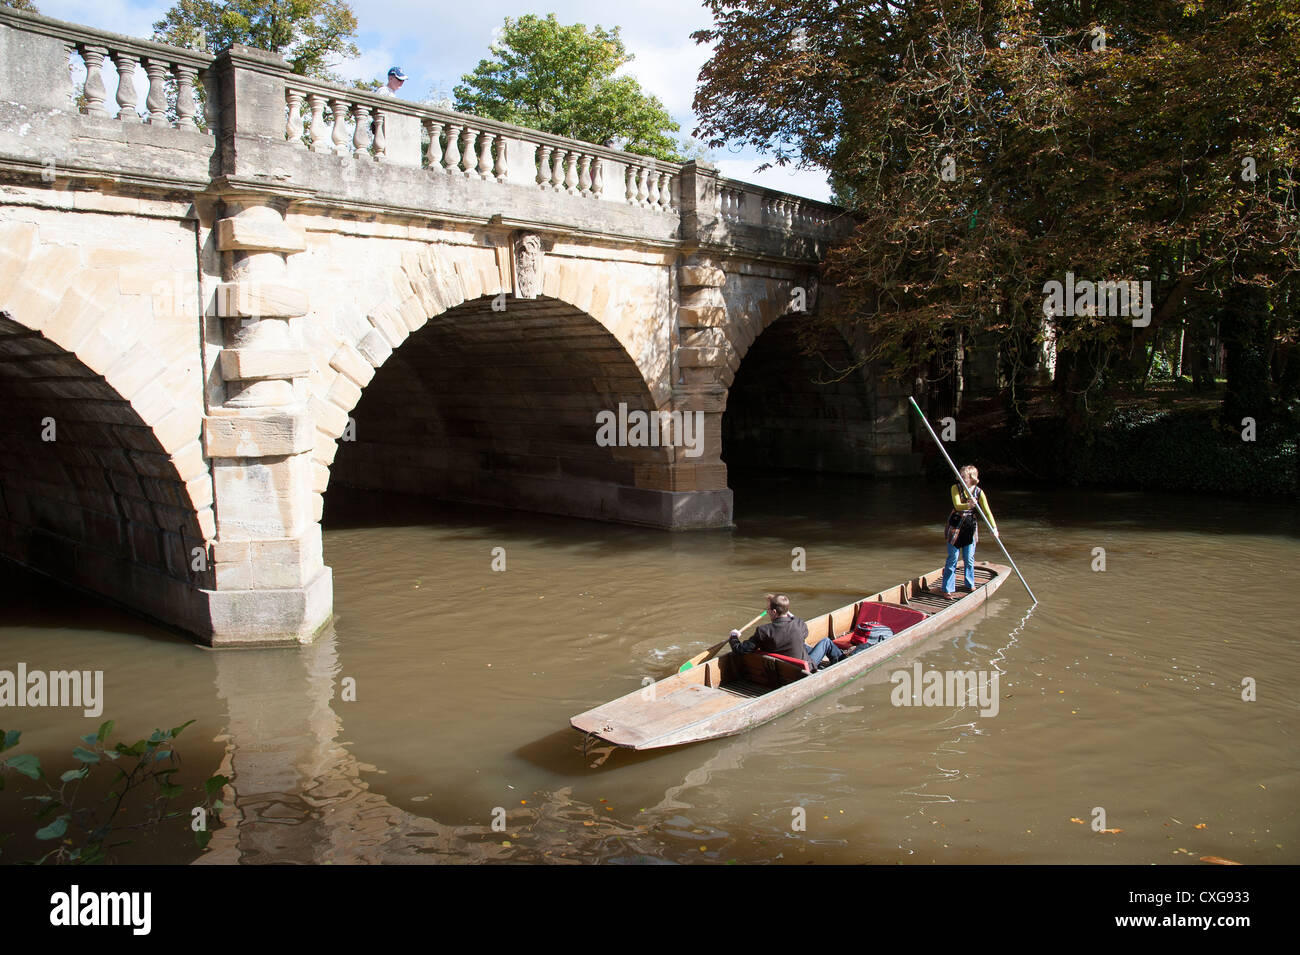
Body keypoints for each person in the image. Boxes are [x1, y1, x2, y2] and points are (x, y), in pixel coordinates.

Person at [728, 593, 854, 672]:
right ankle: (844, 662)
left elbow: (740, 649)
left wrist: (734, 636)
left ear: (774, 612)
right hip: (802, 668)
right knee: (826, 642)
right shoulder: (799, 624)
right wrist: (784, 609)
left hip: (781, 670)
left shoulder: (763, 631)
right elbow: (803, 632)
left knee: (803, 646)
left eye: (768, 610)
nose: (767, 612)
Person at [939, 464, 998, 599]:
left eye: (963, 477)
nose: (960, 478)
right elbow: (957, 505)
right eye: (959, 475)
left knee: (969, 558)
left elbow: (987, 511)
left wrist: (994, 528)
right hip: (955, 526)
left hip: (969, 527)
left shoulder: (979, 492)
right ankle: (947, 588)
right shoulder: (955, 488)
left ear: (971, 478)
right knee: (952, 558)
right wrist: (969, 505)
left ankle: (969, 583)